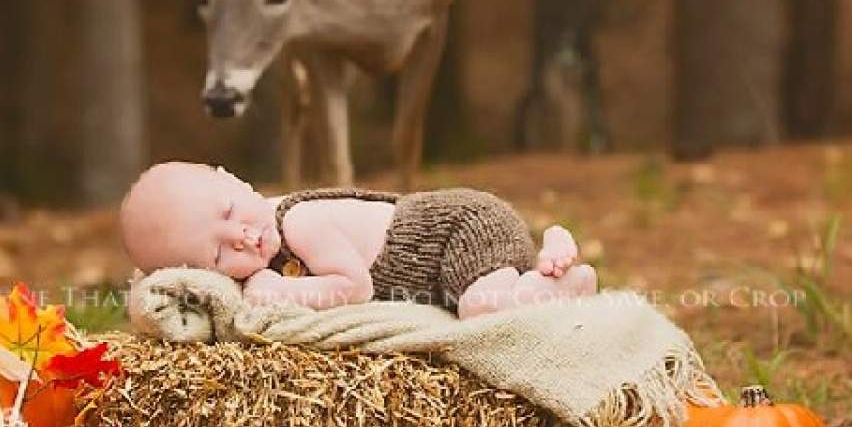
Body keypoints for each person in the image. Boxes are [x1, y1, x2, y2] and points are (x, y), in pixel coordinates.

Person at [119, 162, 597, 318]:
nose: (242, 238)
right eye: (219, 253)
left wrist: (285, 292)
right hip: (442, 268)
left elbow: (356, 287)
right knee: (474, 298)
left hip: (461, 229)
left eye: (228, 213)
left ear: (237, 180)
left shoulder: (299, 223)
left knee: (480, 307)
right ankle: (538, 265)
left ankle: (563, 279)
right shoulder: (262, 238)